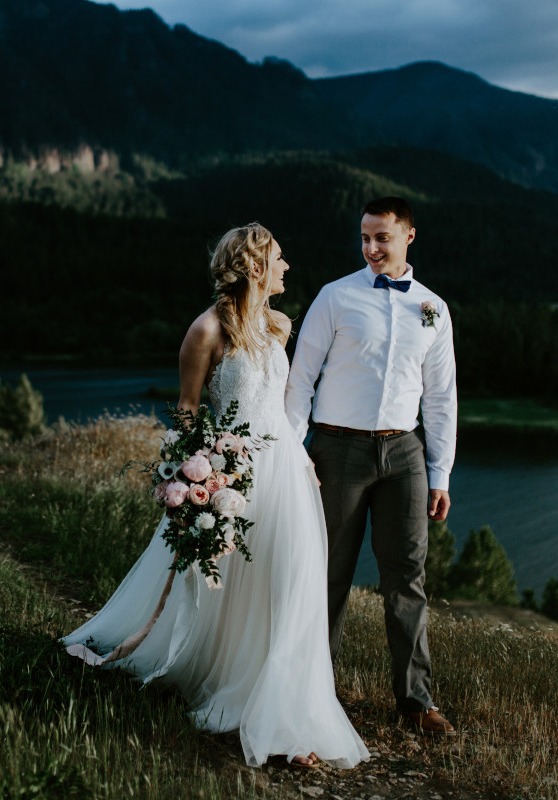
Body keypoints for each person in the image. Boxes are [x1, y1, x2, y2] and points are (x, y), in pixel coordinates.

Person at [62, 223, 370, 769]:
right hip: (234, 477)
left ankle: (291, 711)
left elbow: (280, 407)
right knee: (231, 590)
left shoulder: (276, 327)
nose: (287, 266)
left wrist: (303, 460)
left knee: (292, 586)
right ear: (254, 266)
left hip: (287, 473)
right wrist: (197, 474)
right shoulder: (206, 330)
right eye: (279, 257)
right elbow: (186, 410)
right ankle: (238, 688)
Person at [285, 197, 458, 736]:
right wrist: (294, 457)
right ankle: (314, 693)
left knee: (407, 577)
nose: (371, 247)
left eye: (382, 237)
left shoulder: (433, 308)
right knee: (328, 573)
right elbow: (299, 381)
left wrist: (439, 473)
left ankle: (416, 702)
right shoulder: (335, 297)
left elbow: (442, 398)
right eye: (365, 237)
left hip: (404, 453)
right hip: (336, 450)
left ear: (409, 236)